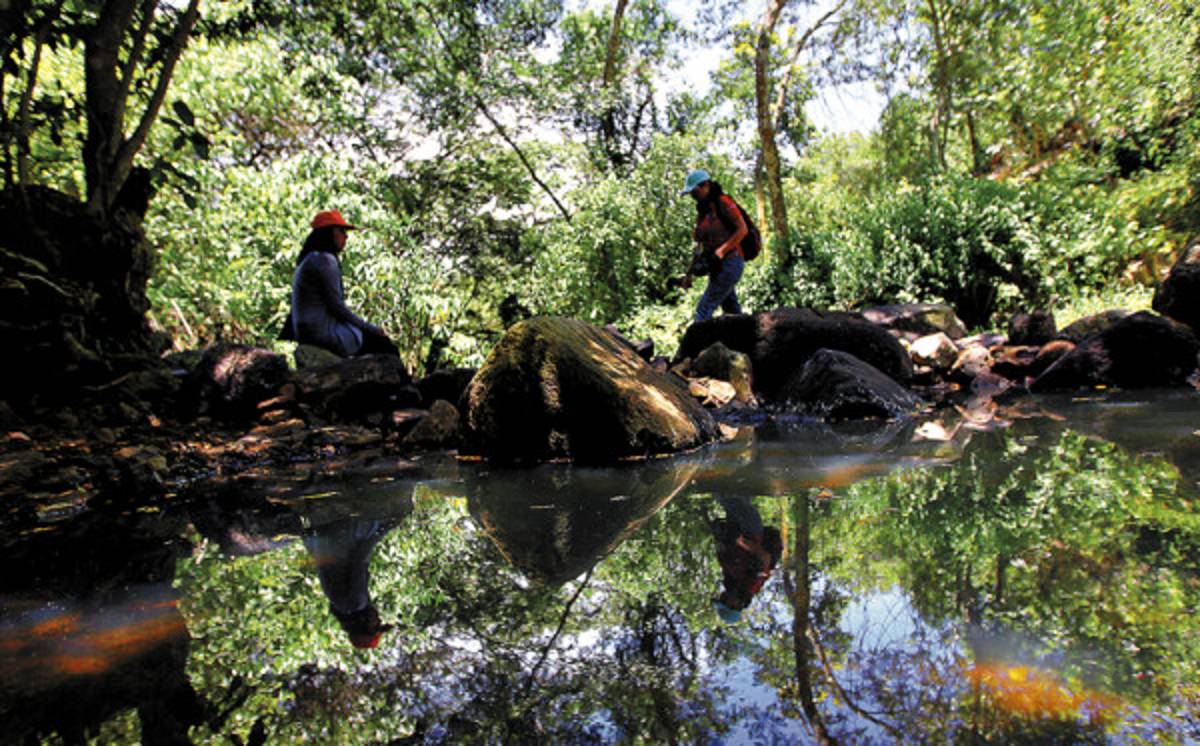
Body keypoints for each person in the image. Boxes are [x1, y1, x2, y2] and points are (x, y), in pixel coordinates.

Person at [278, 209, 399, 357]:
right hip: (321, 332)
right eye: (341, 231)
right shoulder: (324, 259)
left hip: (306, 332)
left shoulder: (308, 258)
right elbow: (337, 307)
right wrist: (371, 328)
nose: (346, 236)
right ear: (328, 233)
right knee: (385, 346)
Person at [679, 169, 749, 322]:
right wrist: (689, 274)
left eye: (694, 192)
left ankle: (698, 338)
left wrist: (722, 251)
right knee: (731, 310)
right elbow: (699, 247)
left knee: (704, 308)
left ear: (705, 185)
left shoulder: (723, 202)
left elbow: (743, 229)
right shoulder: (703, 212)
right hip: (716, 266)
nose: (693, 196)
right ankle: (744, 336)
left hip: (731, 262)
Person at [709, 494, 782, 623]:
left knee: (738, 493)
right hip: (751, 529)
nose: (724, 598)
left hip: (737, 526)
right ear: (736, 605)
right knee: (721, 493)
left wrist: (720, 535)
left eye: (723, 600)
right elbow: (765, 558)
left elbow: (725, 553)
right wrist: (741, 541)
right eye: (726, 602)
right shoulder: (752, 586)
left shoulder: (730, 581)